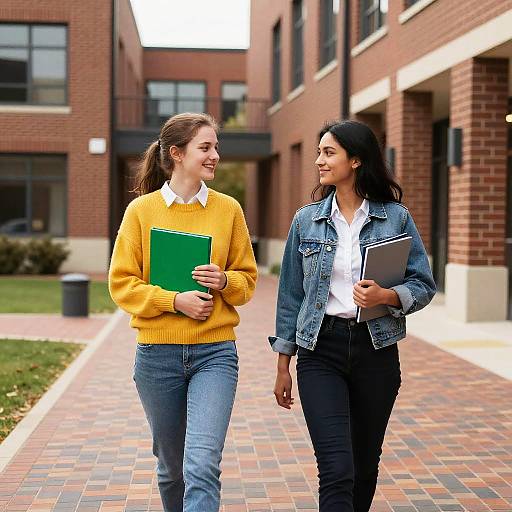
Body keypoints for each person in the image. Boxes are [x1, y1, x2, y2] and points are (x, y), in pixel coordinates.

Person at [269, 120, 436, 512]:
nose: (319, 161)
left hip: (375, 350)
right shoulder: (306, 220)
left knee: (363, 465)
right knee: (336, 467)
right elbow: (291, 295)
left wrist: (388, 295)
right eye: (319, 152)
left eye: (329, 153)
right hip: (319, 350)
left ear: (356, 160)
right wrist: (283, 364)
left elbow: (424, 283)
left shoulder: (395, 217)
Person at [109, 112, 257, 512]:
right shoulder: (141, 211)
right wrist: (175, 301)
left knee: (202, 465)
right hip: (157, 357)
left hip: (215, 354)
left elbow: (248, 281)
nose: (215, 156)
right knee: (172, 468)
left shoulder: (228, 210)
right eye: (205, 147)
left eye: (215, 147)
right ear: (176, 153)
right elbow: (121, 283)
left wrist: (224, 281)